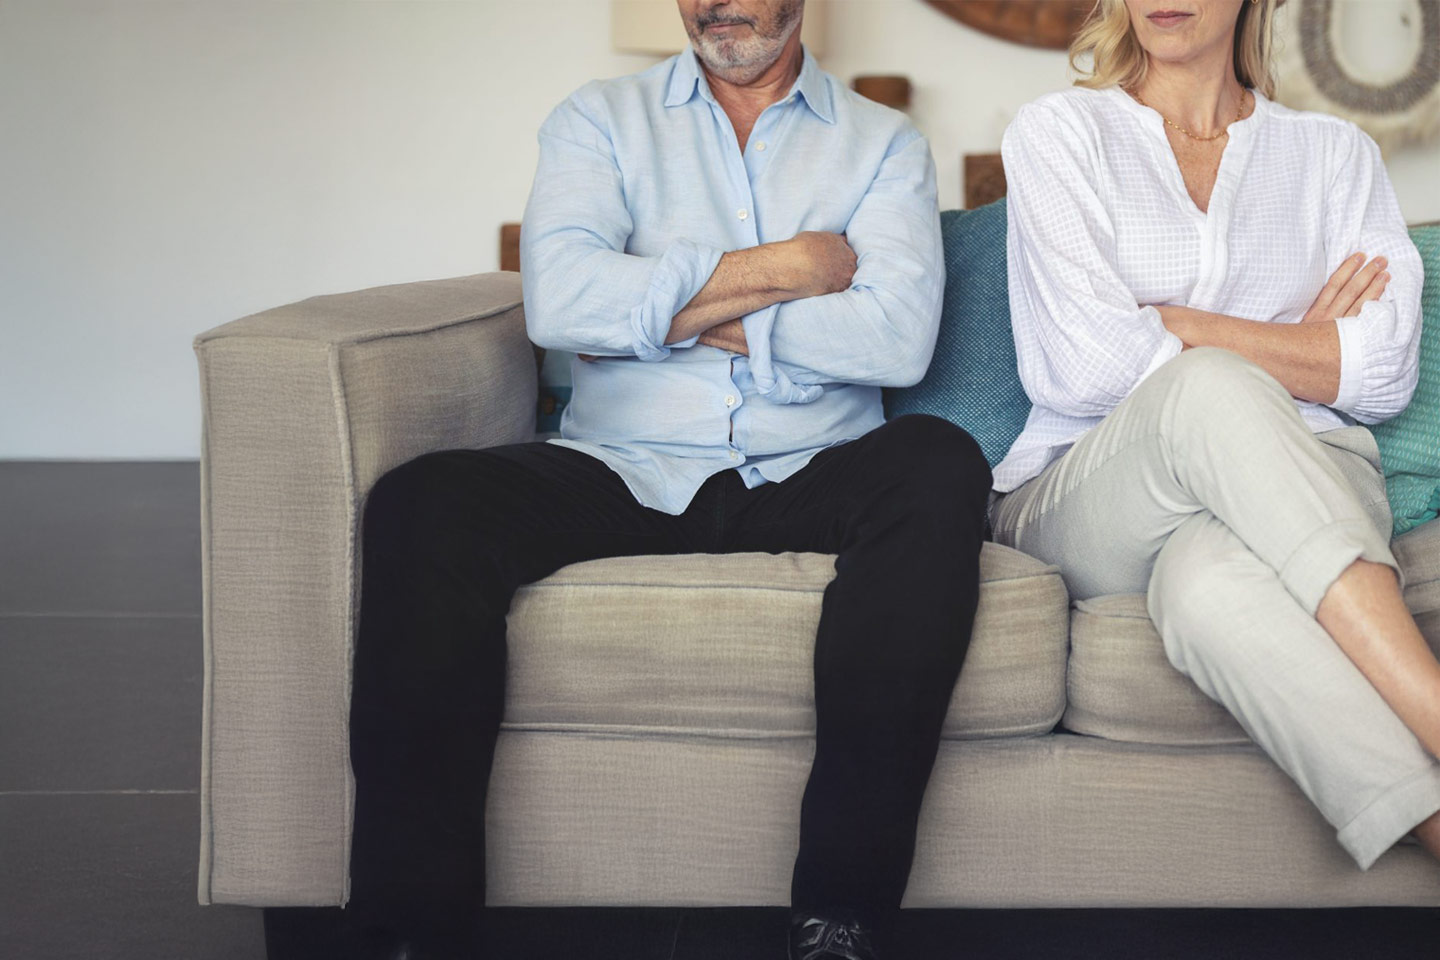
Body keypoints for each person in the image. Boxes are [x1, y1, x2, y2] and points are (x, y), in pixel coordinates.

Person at [329, 2, 991, 958]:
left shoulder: (884, 142)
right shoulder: (596, 118)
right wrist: (793, 268)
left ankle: (839, 913)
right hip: (619, 465)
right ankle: (408, 931)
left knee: (936, 461)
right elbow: (560, 303)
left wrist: (659, 302)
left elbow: (892, 339)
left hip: (812, 466)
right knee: (423, 502)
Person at [991, 0, 1440, 876]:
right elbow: (1082, 366)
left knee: (1205, 586)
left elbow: (1384, 373)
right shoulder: (1060, 133)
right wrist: (1299, 349)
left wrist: (1169, 319)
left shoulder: (1335, 156)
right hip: (1097, 492)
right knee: (1208, 386)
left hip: (1309, 471)